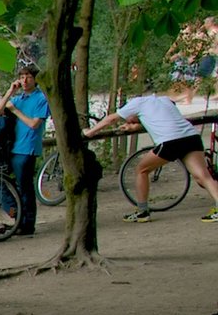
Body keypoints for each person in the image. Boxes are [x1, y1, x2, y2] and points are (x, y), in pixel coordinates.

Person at [85, 91, 218, 220]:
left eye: (129, 120)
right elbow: (161, 119)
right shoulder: (164, 100)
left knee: (141, 170)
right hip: (191, 137)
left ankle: (142, 211)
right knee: (203, 176)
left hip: (170, 140)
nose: (130, 122)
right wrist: (138, 126)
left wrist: (90, 132)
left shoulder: (136, 103)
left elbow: (111, 119)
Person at [0, 67, 50, 236]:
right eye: (22, 77)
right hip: (13, 147)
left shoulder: (41, 99)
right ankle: (17, 216)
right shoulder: (18, 98)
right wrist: (10, 91)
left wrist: (15, 110)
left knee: (25, 188)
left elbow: (34, 124)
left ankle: (27, 224)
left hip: (27, 148)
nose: (24, 80)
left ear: (35, 79)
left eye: (28, 77)